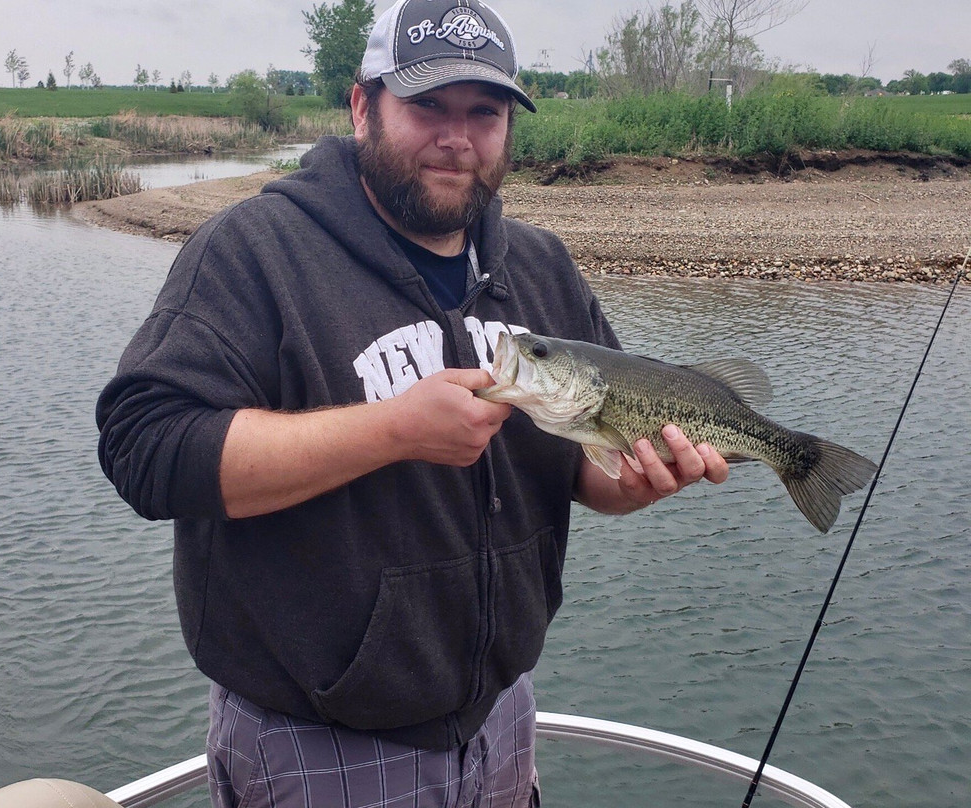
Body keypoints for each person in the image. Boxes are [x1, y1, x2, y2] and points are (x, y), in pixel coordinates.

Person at [96, 1, 728, 805]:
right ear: (364, 106)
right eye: (427, 105)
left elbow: (581, 470)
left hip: (499, 719)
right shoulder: (253, 253)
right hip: (316, 741)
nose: (456, 137)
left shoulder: (539, 267)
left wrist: (629, 484)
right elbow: (144, 451)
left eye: (484, 113)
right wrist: (391, 430)